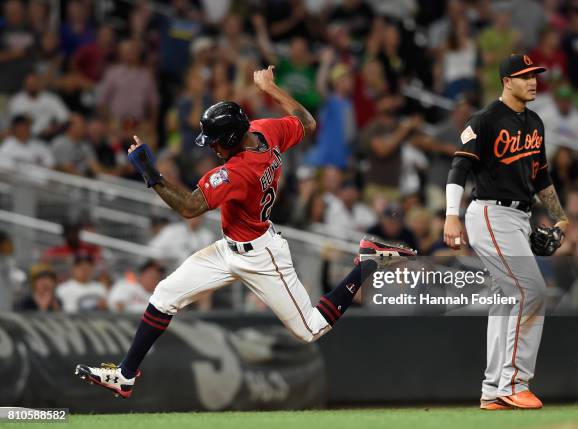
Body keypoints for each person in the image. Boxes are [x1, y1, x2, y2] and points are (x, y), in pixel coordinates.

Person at [75, 65, 414, 398]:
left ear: (233, 138)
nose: (212, 148)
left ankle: (367, 260)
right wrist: (271, 88)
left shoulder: (239, 171)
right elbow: (307, 122)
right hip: (228, 249)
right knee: (164, 295)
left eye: (216, 141)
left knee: (310, 329)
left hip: (263, 255)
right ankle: (125, 374)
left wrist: (151, 174)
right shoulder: (265, 131)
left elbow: (189, 208)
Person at [443, 54, 569, 410]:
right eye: (524, 76)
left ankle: (492, 388)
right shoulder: (483, 120)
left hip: (519, 217)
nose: (533, 81)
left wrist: (561, 217)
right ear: (506, 81)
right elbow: (458, 169)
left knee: (506, 300)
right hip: (490, 213)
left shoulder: (535, 123)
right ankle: (514, 383)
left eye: (535, 75)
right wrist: (451, 215)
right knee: (531, 291)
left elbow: (541, 176)